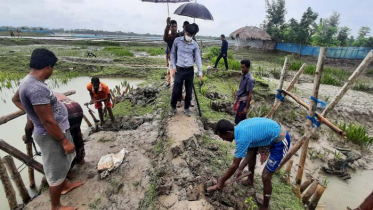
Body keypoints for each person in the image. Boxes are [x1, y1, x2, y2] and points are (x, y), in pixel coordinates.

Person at [12, 48, 83, 210]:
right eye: (53, 68)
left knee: (62, 164)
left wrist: (32, 112)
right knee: (55, 171)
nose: (52, 71)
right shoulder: (37, 89)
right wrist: (64, 140)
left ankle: (65, 185)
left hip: (54, 131)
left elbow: (15, 99)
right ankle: (56, 206)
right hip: (51, 135)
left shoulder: (27, 81)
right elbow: (48, 121)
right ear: (48, 67)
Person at [211, 118, 291, 210]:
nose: (223, 140)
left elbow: (234, 165)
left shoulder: (242, 138)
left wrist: (221, 181)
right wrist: (240, 169)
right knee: (251, 150)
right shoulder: (239, 127)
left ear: (228, 133)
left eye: (222, 137)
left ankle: (265, 207)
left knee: (266, 176)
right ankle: (250, 181)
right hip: (272, 132)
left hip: (281, 139)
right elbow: (252, 150)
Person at [169, 23, 202, 117]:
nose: (190, 37)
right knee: (176, 90)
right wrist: (174, 67)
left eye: (192, 35)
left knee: (189, 91)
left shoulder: (195, 44)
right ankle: (173, 107)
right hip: (179, 70)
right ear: (185, 31)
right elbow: (173, 54)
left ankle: (186, 108)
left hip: (189, 70)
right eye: (189, 34)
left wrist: (200, 72)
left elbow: (198, 58)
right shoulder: (177, 41)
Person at [234, 60, 255, 125]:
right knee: (237, 118)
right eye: (241, 67)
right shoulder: (244, 75)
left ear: (248, 68)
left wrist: (246, 107)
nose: (241, 69)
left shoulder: (250, 79)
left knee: (239, 120)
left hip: (243, 102)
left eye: (243, 68)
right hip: (240, 100)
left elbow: (250, 94)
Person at [163, 17, 180, 88]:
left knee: (180, 77)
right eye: (172, 26)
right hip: (172, 60)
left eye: (175, 26)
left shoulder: (180, 36)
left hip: (180, 60)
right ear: (170, 28)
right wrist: (167, 24)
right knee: (173, 77)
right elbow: (165, 38)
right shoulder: (169, 37)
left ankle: (180, 94)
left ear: (177, 27)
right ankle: (174, 95)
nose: (174, 28)